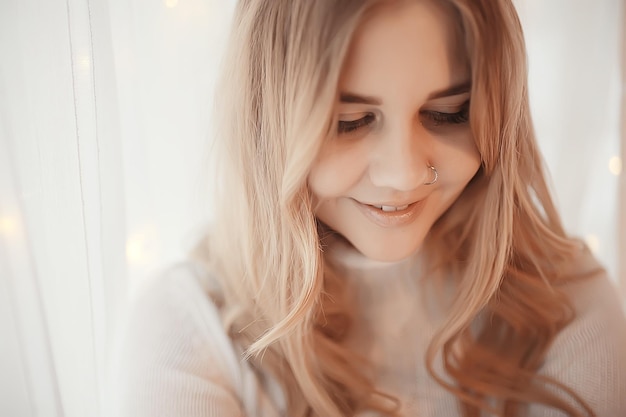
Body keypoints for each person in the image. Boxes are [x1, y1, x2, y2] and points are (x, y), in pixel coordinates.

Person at [112, 0, 626, 416]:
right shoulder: (190, 328)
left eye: (449, 114)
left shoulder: (564, 304)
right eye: (351, 121)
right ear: (270, 124)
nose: (403, 173)